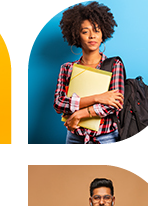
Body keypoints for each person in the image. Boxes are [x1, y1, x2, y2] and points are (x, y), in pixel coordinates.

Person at [53, 2, 124, 144]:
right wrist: (98, 97)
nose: (92, 36)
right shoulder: (67, 68)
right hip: (74, 138)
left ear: (103, 34)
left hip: (106, 138)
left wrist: (79, 114)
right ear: (77, 36)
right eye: (85, 31)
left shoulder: (114, 65)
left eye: (96, 30)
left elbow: (113, 104)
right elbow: (59, 103)